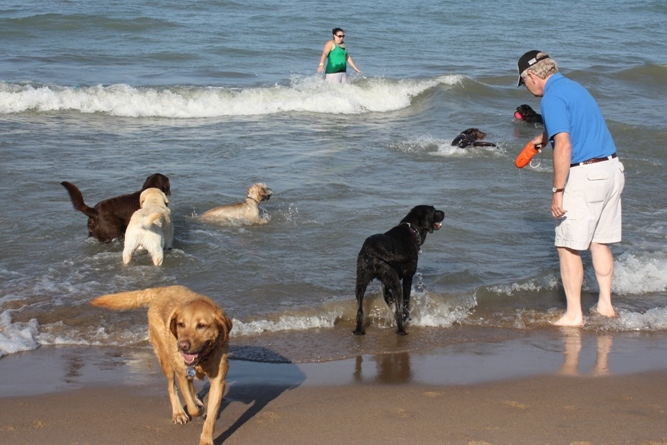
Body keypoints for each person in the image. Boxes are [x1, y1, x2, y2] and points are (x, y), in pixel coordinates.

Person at [517, 50, 625, 327]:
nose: (527, 88)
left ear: (531, 76)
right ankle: (605, 306)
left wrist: (558, 190)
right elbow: (575, 125)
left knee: (567, 246)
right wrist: (542, 139)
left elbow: (564, 144)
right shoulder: (574, 87)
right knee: (599, 241)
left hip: (585, 176)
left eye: (524, 82)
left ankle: (574, 315)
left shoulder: (551, 97)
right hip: (611, 169)